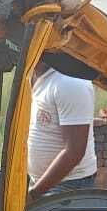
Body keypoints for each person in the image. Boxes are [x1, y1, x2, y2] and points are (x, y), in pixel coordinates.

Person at [27, 60, 97, 197]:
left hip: (68, 185)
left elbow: (74, 152)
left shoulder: (71, 82)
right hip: (40, 183)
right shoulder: (33, 76)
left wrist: (34, 194)